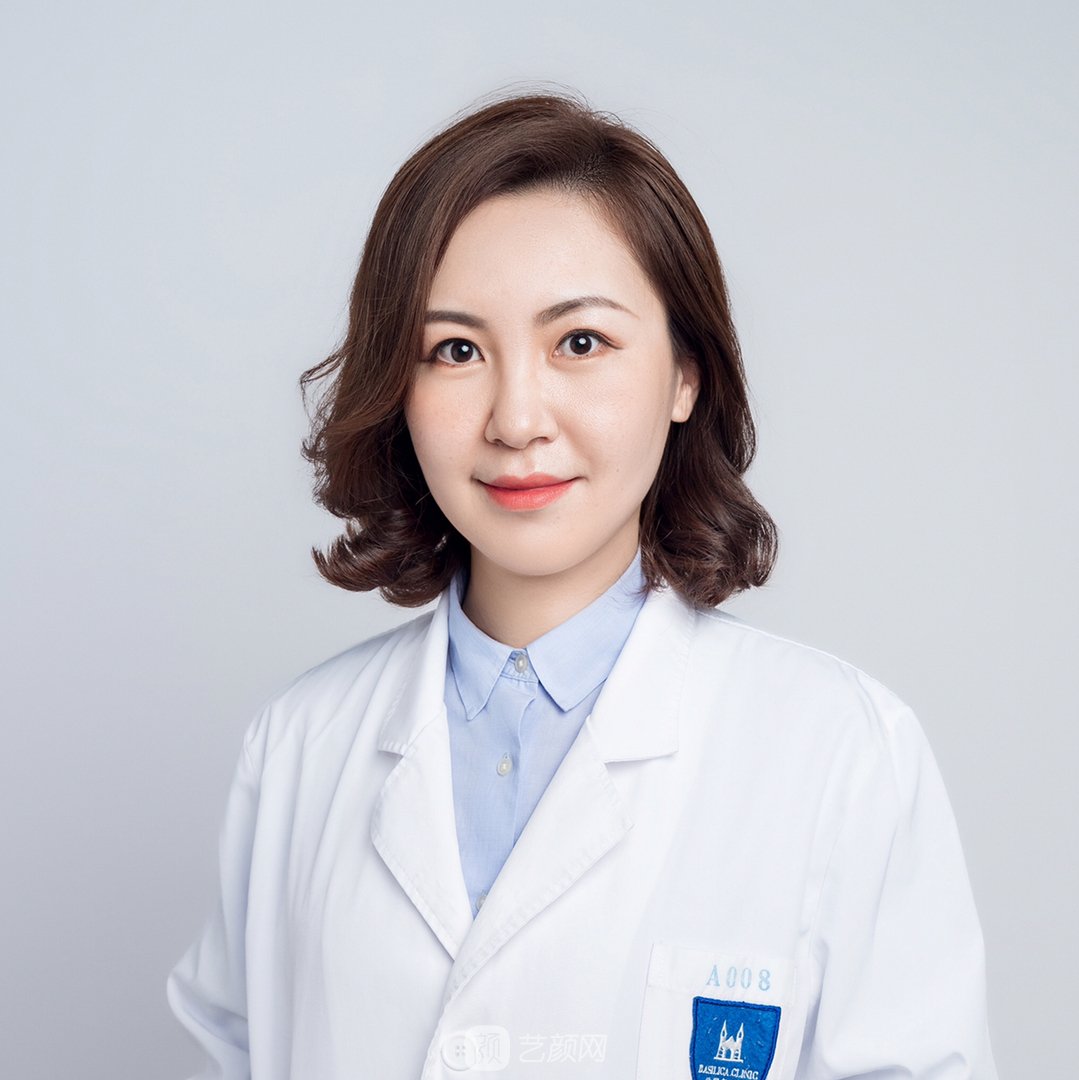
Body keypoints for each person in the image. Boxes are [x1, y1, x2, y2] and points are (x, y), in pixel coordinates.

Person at [167, 90, 998, 1079]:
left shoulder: (840, 753)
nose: (517, 419)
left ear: (685, 374)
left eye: (579, 343)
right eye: (456, 351)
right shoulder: (300, 749)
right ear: (399, 389)